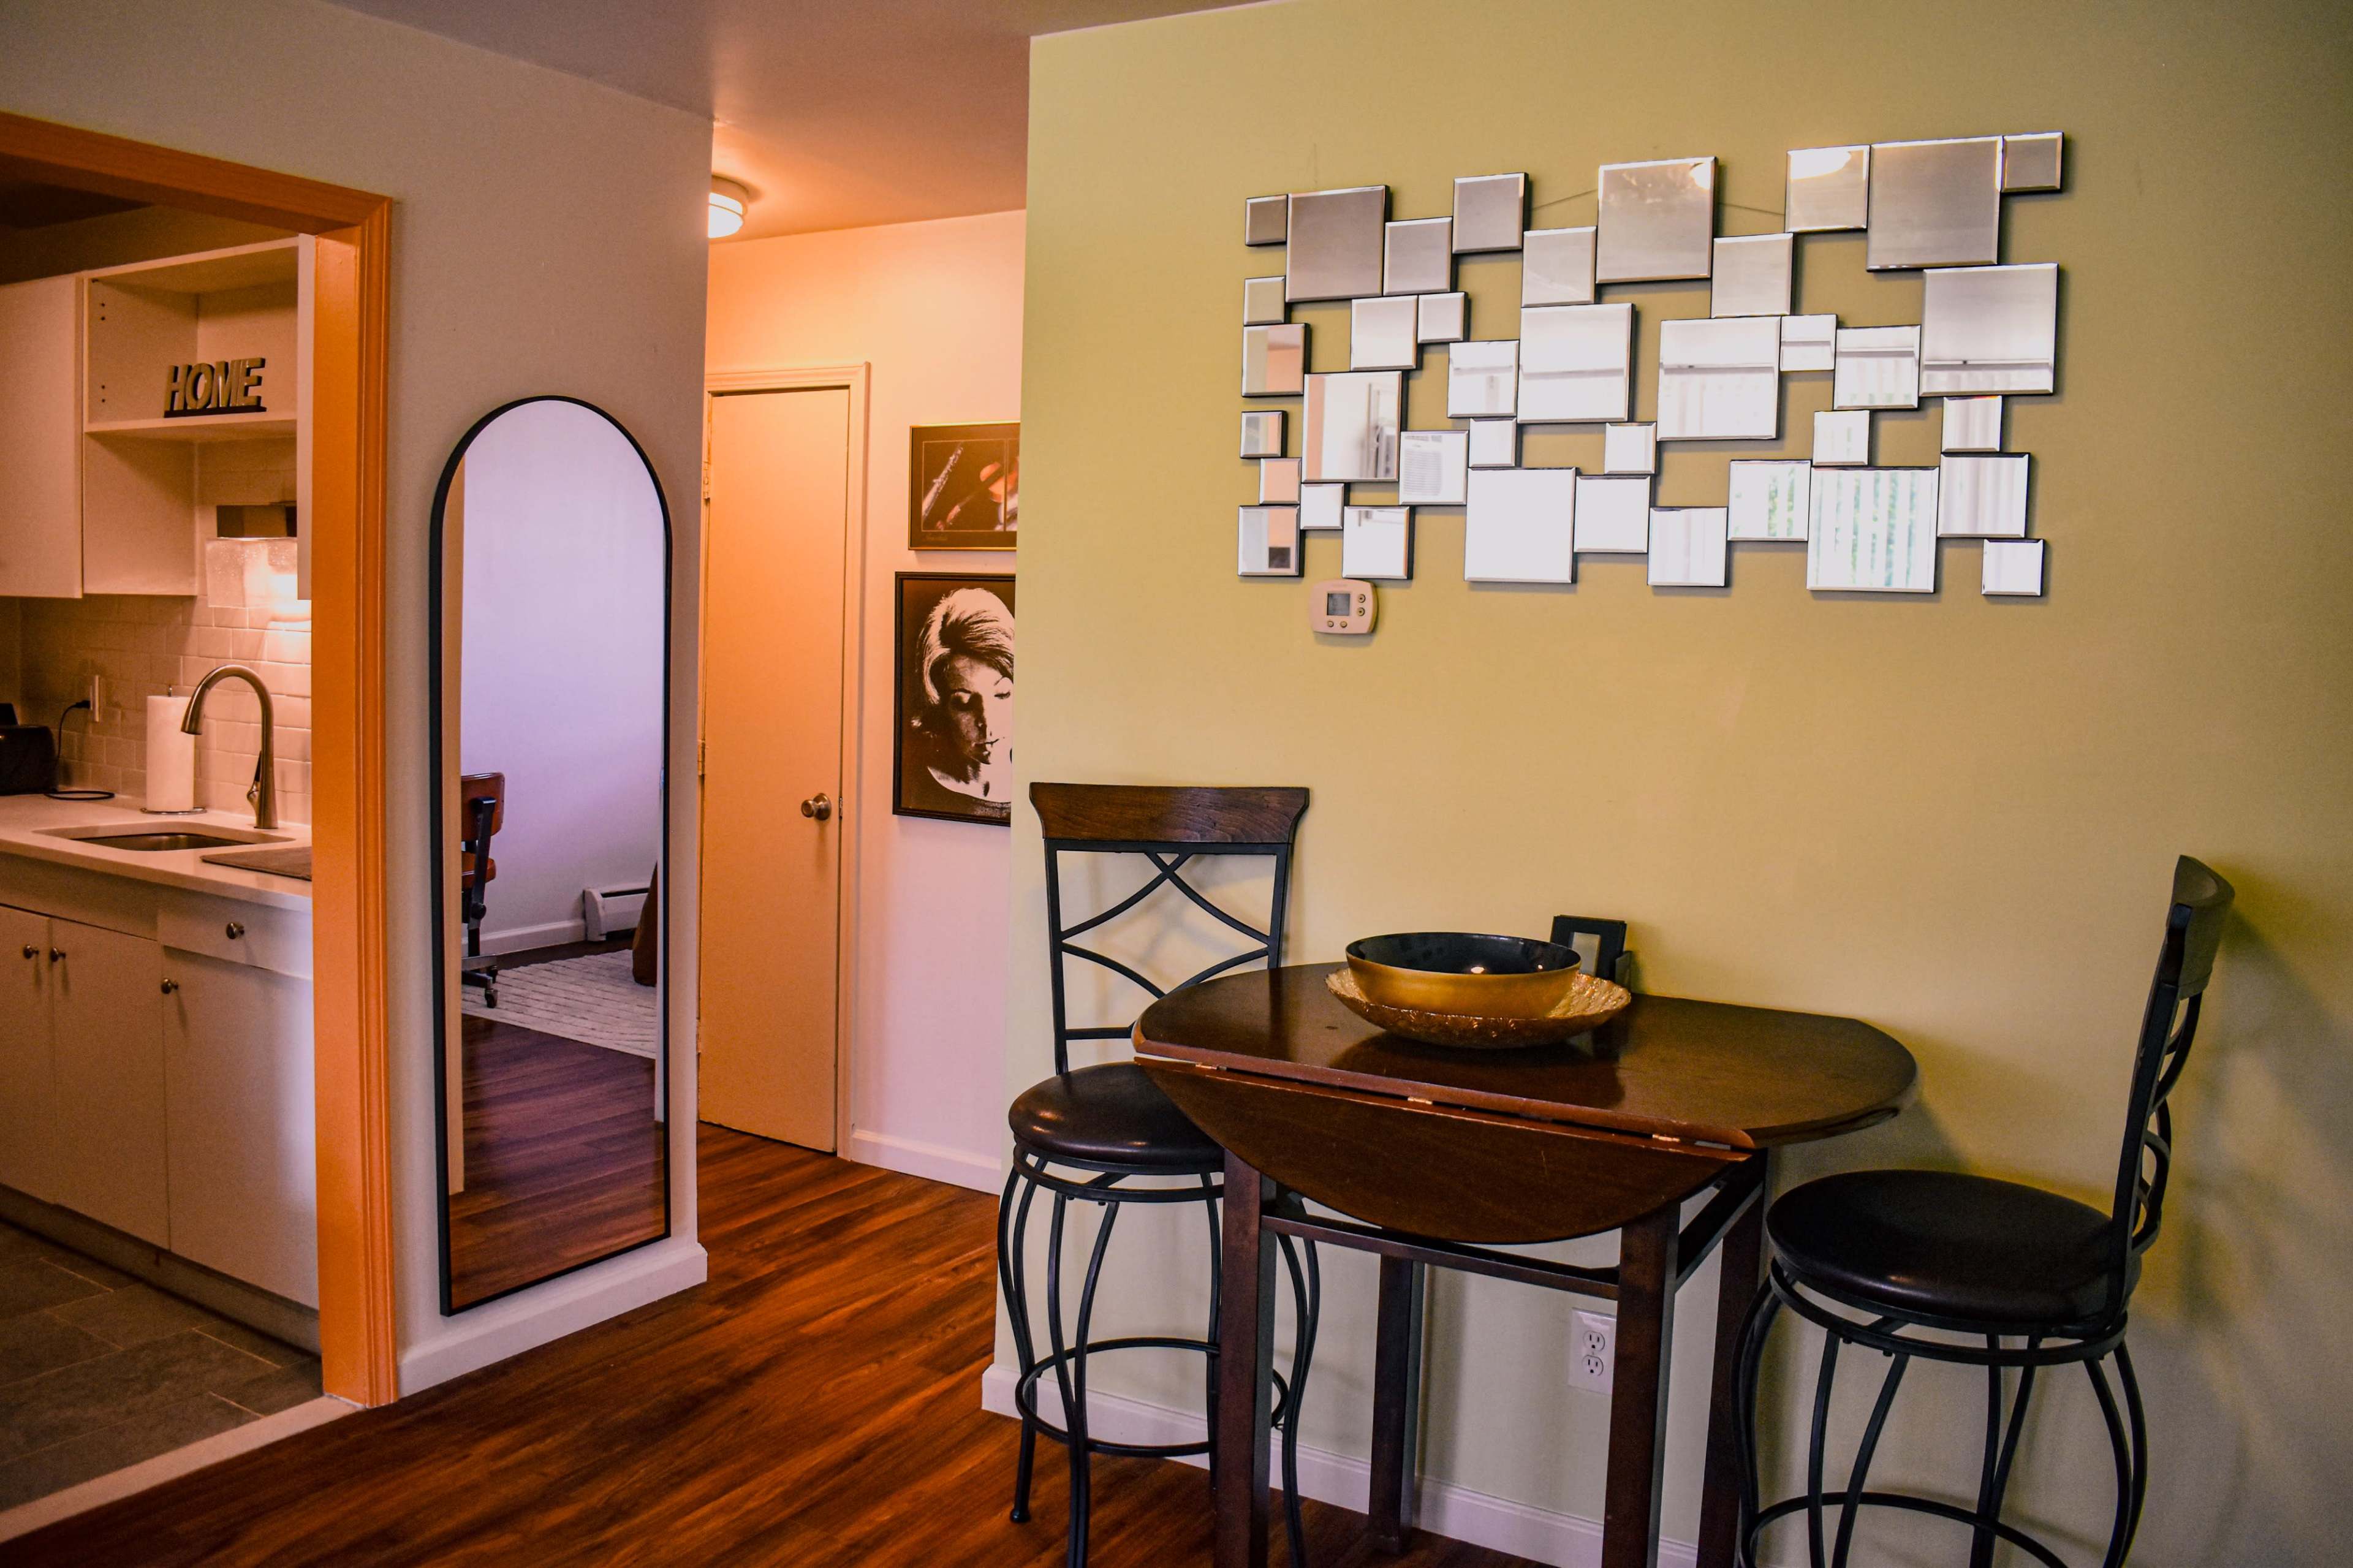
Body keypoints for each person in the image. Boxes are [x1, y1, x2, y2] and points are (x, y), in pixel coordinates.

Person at [904, 586, 1013, 820]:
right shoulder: (915, 790)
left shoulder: (1042, 784)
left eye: (1003, 694)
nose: (987, 723)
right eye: (964, 703)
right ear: (938, 705)